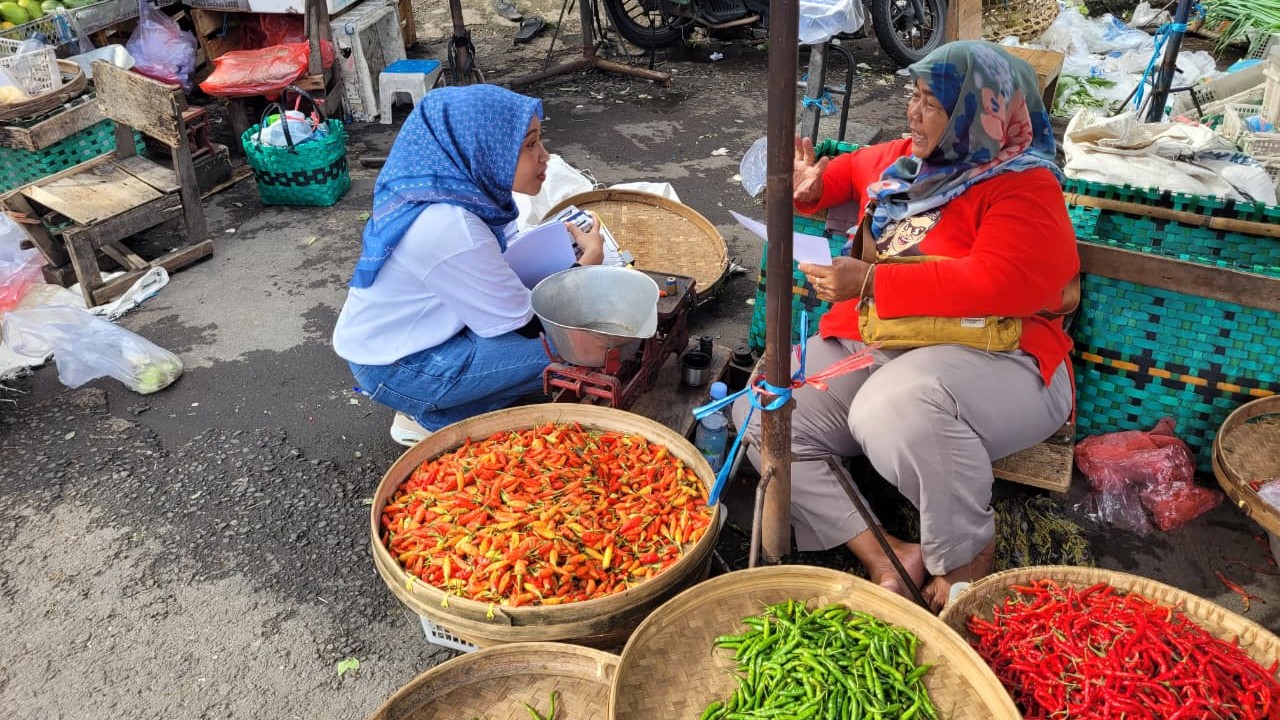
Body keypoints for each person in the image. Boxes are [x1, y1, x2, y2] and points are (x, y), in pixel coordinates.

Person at [732, 41, 1079, 611]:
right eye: (911, 97)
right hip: (888, 346)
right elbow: (835, 182)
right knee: (762, 409)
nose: (912, 114)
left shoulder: (1024, 185)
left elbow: (1002, 283)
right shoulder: (905, 164)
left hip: (1004, 363)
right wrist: (810, 187)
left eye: (931, 103)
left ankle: (964, 558)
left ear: (982, 112)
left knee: (893, 406)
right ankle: (888, 554)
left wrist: (872, 284)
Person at [332, 84, 605, 446]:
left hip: (410, 340)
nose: (546, 156)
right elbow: (526, 324)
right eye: (529, 145)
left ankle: (449, 404)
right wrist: (588, 266)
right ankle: (437, 415)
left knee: (560, 341)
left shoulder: (449, 188)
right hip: (402, 367)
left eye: (539, 141)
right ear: (484, 149)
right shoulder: (450, 225)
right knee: (587, 348)